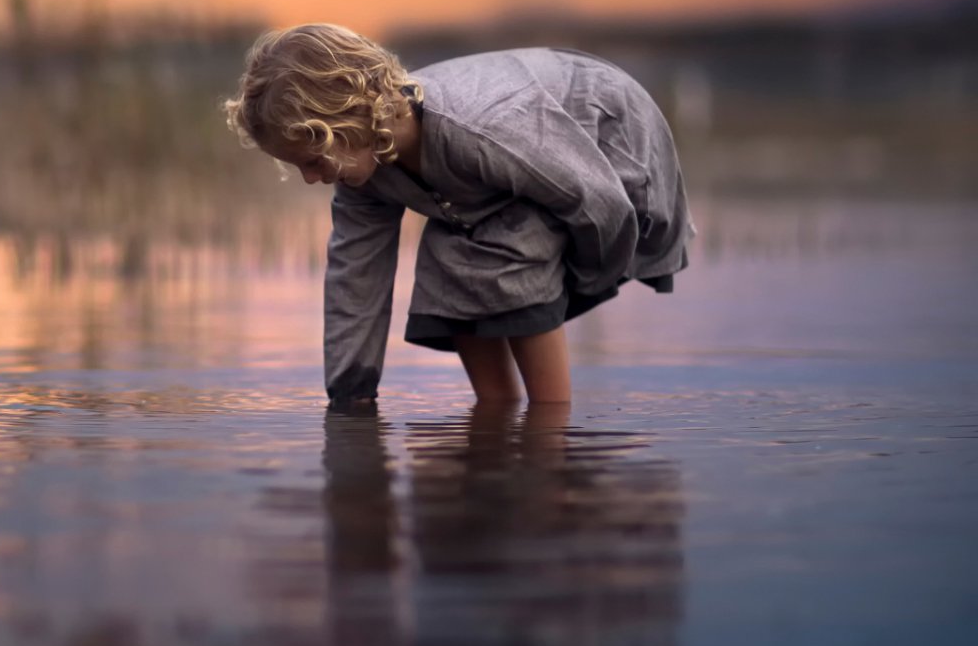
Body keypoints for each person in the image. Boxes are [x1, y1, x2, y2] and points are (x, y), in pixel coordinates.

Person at [223, 25, 692, 407]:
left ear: (349, 119)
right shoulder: (361, 168)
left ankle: (551, 430)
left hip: (609, 138)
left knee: (515, 247)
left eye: (312, 161)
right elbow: (355, 276)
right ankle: (497, 419)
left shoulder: (482, 131)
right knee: (446, 257)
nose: (310, 179)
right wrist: (351, 395)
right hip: (533, 174)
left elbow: (599, 201)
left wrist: (585, 278)